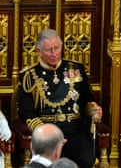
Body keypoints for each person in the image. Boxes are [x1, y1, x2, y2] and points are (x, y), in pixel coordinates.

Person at [17, 29, 103, 168]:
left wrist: (93, 109)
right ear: (38, 52)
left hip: (75, 131)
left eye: (57, 48)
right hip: (48, 132)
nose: (54, 53)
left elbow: (86, 100)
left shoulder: (76, 69)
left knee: (87, 159)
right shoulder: (29, 76)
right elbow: (26, 113)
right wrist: (47, 133)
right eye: (49, 50)